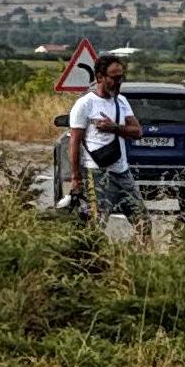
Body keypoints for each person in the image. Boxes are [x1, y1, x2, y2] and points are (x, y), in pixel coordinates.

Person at [68, 55, 149, 234]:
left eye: (121, 77)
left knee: (144, 224)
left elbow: (137, 132)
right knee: (96, 226)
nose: (118, 82)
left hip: (122, 172)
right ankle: (92, 252)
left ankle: (141, 252)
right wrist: (75, 178)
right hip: (97, 173)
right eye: (114, 77)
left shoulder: (122, 101)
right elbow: (74, 142)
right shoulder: (85, 104)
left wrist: (114, 128)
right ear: (99, 77)